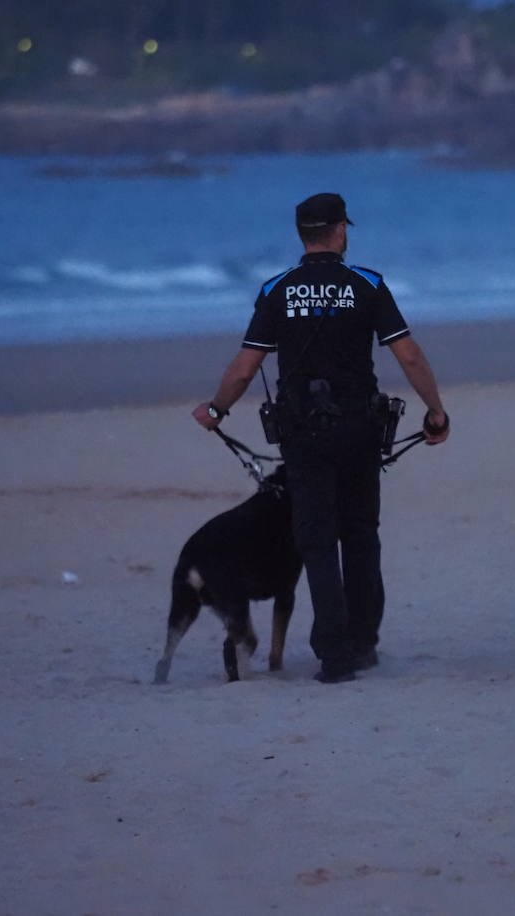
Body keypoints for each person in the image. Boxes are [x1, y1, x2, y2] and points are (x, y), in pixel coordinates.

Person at [193, 192, 450, 684]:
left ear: (302, 234)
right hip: (359, 429)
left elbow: (246, 367)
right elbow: (409, 356)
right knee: (360, 536)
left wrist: (216, 409)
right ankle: (362, 643)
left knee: (316, 542)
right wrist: (435, 411)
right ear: (338, 230)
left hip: (303, 434)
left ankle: (333, 656)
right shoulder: (367, 284)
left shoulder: (277, 290)